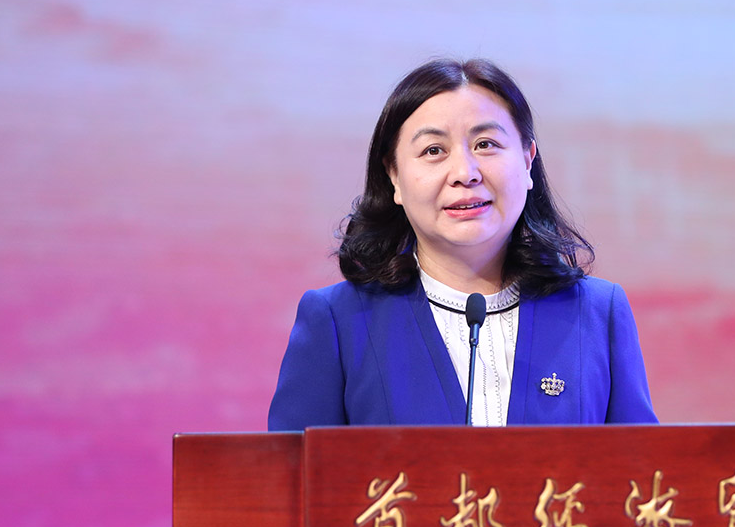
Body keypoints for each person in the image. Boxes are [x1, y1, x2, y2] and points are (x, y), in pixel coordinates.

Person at [268, 58, 656, 428]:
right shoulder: (337, 321)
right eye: (433, 151)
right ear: (394, 177)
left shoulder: (597, 313)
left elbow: (643, 468)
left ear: (527, 160)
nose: (464, 173)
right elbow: (294, 470)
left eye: (485, 144)